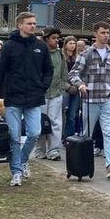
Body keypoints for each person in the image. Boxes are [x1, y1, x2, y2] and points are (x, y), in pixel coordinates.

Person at [0, 12, 54, 187]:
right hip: (13, 97)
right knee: (14, 136)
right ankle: (16, 171)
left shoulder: (41, 46)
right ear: (20, 25)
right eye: (29, 23)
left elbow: (49, 70)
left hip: (34, 96)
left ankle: (23, 160)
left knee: (34, 132)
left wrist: (43, 86)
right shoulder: (9, 46)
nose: (33, 26)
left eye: (34, 23)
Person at [69, 22, 110, 179]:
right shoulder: (86, 54)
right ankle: (82, 164)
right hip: (90, 99)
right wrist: (80, 85)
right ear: (95, 34)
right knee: (87, 134)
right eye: (102, 32)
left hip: (106, 99)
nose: (106, 35)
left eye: (107, 32)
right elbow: (73, 74)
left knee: (108, 132)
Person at [35, 28, 68, 161]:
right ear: (46, 38)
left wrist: (61, 87)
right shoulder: (39, 52)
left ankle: (54, 150)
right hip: (40, 93)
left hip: (56, 93)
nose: (56, 40)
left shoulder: (60, 55)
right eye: (53, 38)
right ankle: (40, 149)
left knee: (55, 122)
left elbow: (64, 73)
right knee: (40, 121)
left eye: (57, 38)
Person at [61, 36, 82, 139]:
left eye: (74, 43)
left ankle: (69, 137)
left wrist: (77, 85)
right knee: (62, 113)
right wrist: (67, 86)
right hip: (64, 88)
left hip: (76, 88)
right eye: (70, 43)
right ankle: (61, 135)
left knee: (72, 115)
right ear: (65, 45)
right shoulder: (61, 57)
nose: (73, 45)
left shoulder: (78, 58)